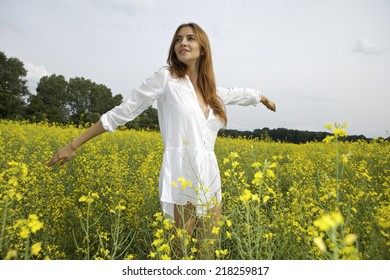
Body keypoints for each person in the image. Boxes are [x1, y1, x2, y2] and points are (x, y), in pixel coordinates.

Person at [47, 22, 276, 258]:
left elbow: (241, 93)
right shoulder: (166, 78)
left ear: (203, 48)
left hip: (210, 174)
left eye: (190, 38)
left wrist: (262, 97)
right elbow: (123, 111)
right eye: (178, 39)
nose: (182, 43)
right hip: (181, 172)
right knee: (181, 252)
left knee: (208, 252)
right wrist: (74, 145)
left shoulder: (213, 92)